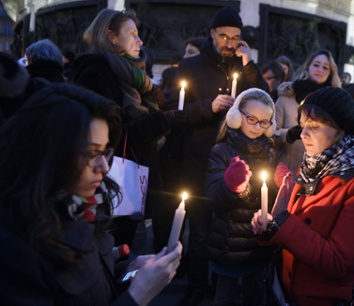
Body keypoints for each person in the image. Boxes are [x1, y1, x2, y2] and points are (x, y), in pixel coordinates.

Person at [0, 83, 182, 305]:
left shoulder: (84, 208)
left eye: (106, 151)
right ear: (49, 152)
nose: (104, 166)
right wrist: (138, 295)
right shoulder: (13, 248)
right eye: (93, 153)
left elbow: (93, 283)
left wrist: (129, 271)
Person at [251, 86, 354, 305]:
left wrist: (283, 221)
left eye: (314, 127)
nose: (303, 134)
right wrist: (269, 227)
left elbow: (340, 263)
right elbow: (291, 235)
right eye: (302, 126)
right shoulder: (310, 167)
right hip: (286, 294)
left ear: (342, 129)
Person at [70, 8, 186, 253]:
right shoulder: (97, 74)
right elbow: (111, 136)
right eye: (132, 33)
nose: (140, 40)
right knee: (113, 254)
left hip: (133, 180)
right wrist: (161, 120)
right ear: (111, 37)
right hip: (109, 183)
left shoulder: (133, 77)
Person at [175, 5, 268, 305]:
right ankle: (198, 286)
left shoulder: (243, 66)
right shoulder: (190, 67)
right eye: (224, 36)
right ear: (212, 34)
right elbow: (175, 113)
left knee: (227, 229)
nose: (229, 42)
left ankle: (222, 287)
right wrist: (208, 107)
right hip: (200, 161)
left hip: (237, 164)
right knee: (200, 232)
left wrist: (250, 65)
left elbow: (264, 99)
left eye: (236, 37)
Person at [206, 88, 279, 305]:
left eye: (265, 122)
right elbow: (212, 199)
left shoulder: (271, 152)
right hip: (229, 246)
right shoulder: (221, 152)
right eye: (252, 119)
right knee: (224, 299)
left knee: (255, 297)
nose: (258, 127)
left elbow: (272, 201)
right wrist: (230, 187)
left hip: (259, 246)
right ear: (236, 117)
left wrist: (281, 186)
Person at [274, 49, 341, 175]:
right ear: (308, 66)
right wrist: (289, 134)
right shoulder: (287, 95)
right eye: (316, 65)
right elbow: (271, 132)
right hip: (287, 170)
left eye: (325, 67)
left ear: (330, 73)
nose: (320, 69)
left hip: (320, 173)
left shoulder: (333, 102)